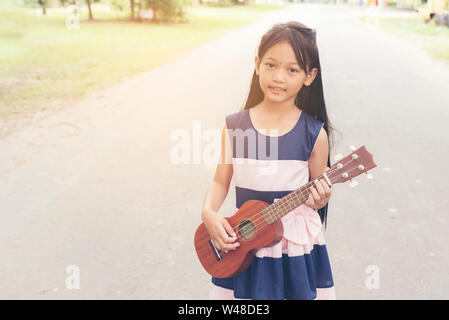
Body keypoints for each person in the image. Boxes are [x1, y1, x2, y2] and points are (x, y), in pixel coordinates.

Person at [200, 21, 337, 300]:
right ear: (257, 64)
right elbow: (219, 180)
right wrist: (209, 213)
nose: (278, 77)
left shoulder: (314, 134)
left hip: (292, 249)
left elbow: (318, 191)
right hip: (243, 242)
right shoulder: (235, 126)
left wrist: (321, 198)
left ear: (309, 76)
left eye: (292, 70)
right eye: (271, 65)